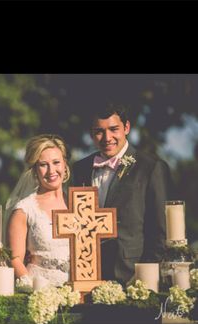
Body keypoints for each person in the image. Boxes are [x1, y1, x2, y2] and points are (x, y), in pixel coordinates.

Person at [73, 101, 173, 286]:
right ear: (91, 134)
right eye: (99, 131)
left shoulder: (150, 168)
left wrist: (144, 277)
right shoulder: (80, 169)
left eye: (113, 129)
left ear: (126, 127)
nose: (107, 137)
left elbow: (161, 231)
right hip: (89, 274)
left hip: (133, 275)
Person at [6, 134, 70, 289]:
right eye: (43, 165)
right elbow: (14, 259)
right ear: (34, 170)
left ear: (65, 164)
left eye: (56, 162)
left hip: (76, 291)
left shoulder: (78, 203)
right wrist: (34, 290)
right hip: (39, 291)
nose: (51, 170)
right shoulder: (24, 209)